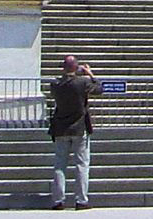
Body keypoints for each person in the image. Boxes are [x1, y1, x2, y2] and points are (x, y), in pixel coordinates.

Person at [48, 54, 100, 210]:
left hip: (60, 128)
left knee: (59, 165)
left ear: (63, 68)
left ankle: (58, 201)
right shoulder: (82, 82)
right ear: (76, 67)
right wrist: (90, 74)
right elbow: (99, 89)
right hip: (79, 128)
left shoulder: (55, 85)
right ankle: (81, 200)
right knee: (82, 165)